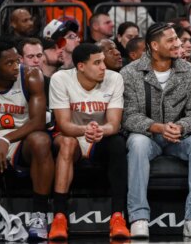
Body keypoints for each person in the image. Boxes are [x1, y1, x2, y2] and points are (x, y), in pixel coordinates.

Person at [121, 22, 191, 238]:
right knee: (137, 143)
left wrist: (180, 127)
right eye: (170, 40)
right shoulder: (130, 73)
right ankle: (138, 217)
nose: (177, 43)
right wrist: (158, 127)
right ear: (154, 45)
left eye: (177, 39)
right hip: (147, 136)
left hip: (180, 138)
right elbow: (127, 116)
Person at [49, 43, 129, 240]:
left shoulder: (115, 78)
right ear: (81, 66)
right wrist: (85, 130)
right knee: (67, 144)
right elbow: (64, 124)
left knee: (118, 143)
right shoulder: (60, 79)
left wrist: (101, 130)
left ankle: (118, 217)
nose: (103, 67)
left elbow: (114, 124)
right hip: (71, 136)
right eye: (97, 63)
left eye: (103, 61)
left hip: (100, 137)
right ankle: (59, 217)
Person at [0, 39, 54, 240]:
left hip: (19, 136)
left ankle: (39, 214)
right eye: (9, 63)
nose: (16, 67)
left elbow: (38, 121)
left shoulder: (31, 76)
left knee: (41, 141)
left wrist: (5, 139)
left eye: (17, 61)